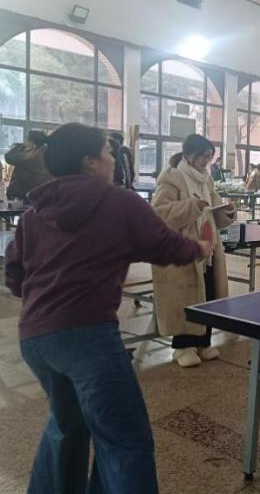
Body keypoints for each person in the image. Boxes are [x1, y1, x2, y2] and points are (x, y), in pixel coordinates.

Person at [5, 123, 212, 493]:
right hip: (87, 337)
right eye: (108, 152)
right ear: (89, 161)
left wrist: (45, 299)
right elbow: (164, 244)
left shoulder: (35, 212)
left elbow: (15, 273)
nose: (114, 158)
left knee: (67, 424)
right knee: (124, 438)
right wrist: (200, 249)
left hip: (35, 338)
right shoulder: (119, 201)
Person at [151, 134, 236, 368]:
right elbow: (159, 213)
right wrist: (191, 206)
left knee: (206, 294)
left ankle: (203, 342)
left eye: (210, 157)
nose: (207, 161)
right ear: (189, 154)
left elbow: (215, 211)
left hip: (208, 248)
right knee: (184, 298)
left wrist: (227, 211)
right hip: (182, 250)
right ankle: (182, 347)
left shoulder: (206, 180)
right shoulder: (171, 178)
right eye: (203, 156)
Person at [5, 130, 53, 201]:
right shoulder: (47, 151)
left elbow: (9, 157)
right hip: (41, 191)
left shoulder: (32, 154)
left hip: (26, 193)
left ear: (31, 141)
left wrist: (21, 146)